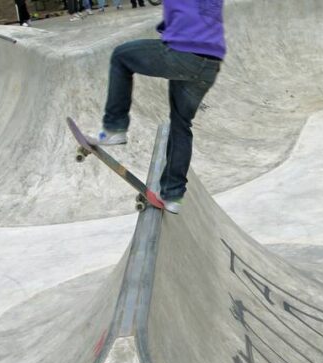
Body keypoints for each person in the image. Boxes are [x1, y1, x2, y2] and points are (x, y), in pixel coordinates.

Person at [94, 0, 225, 214]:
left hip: (183, 53)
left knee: (120, 56)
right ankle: (173, 195)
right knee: (181, 124)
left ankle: (115, 128)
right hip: (211, 63)